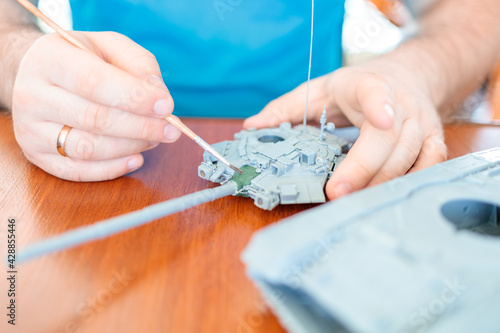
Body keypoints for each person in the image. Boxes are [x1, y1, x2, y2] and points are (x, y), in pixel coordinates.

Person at [0, 0, 499, 200]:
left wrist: (411, 72)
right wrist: (20, 60)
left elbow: (474, 14)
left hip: (333, 149)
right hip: (105, 167)